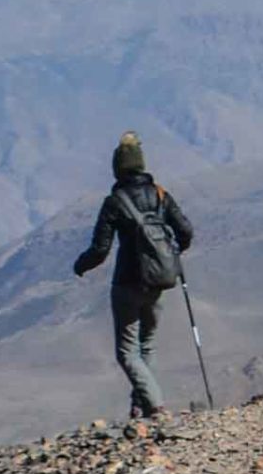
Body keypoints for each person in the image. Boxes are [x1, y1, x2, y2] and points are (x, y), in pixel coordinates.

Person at [72, 131, 195, 428]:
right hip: (158, 281)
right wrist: (173, 254)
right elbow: (186, 231)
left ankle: (155, 406)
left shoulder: (114, 202)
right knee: (147, 345)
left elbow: (100, 250)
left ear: (117, 168)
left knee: (127, 351)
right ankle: (140, 408)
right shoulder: (160, 194)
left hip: (127, 283)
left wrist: (81, 265)